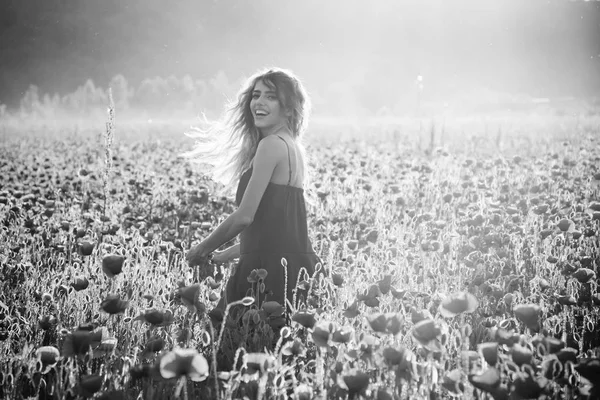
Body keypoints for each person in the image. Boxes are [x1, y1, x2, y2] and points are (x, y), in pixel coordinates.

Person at [184, 67, 320, 311]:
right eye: (256, 95)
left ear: (289, 108)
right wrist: (226, 255)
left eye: (271, 96)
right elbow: (277, 232)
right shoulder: (294, 148)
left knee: (232, 343)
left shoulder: (270, 145)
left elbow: (244, 217)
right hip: (295, 269)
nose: (259, 102)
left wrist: (201, 249)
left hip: (264, 275)